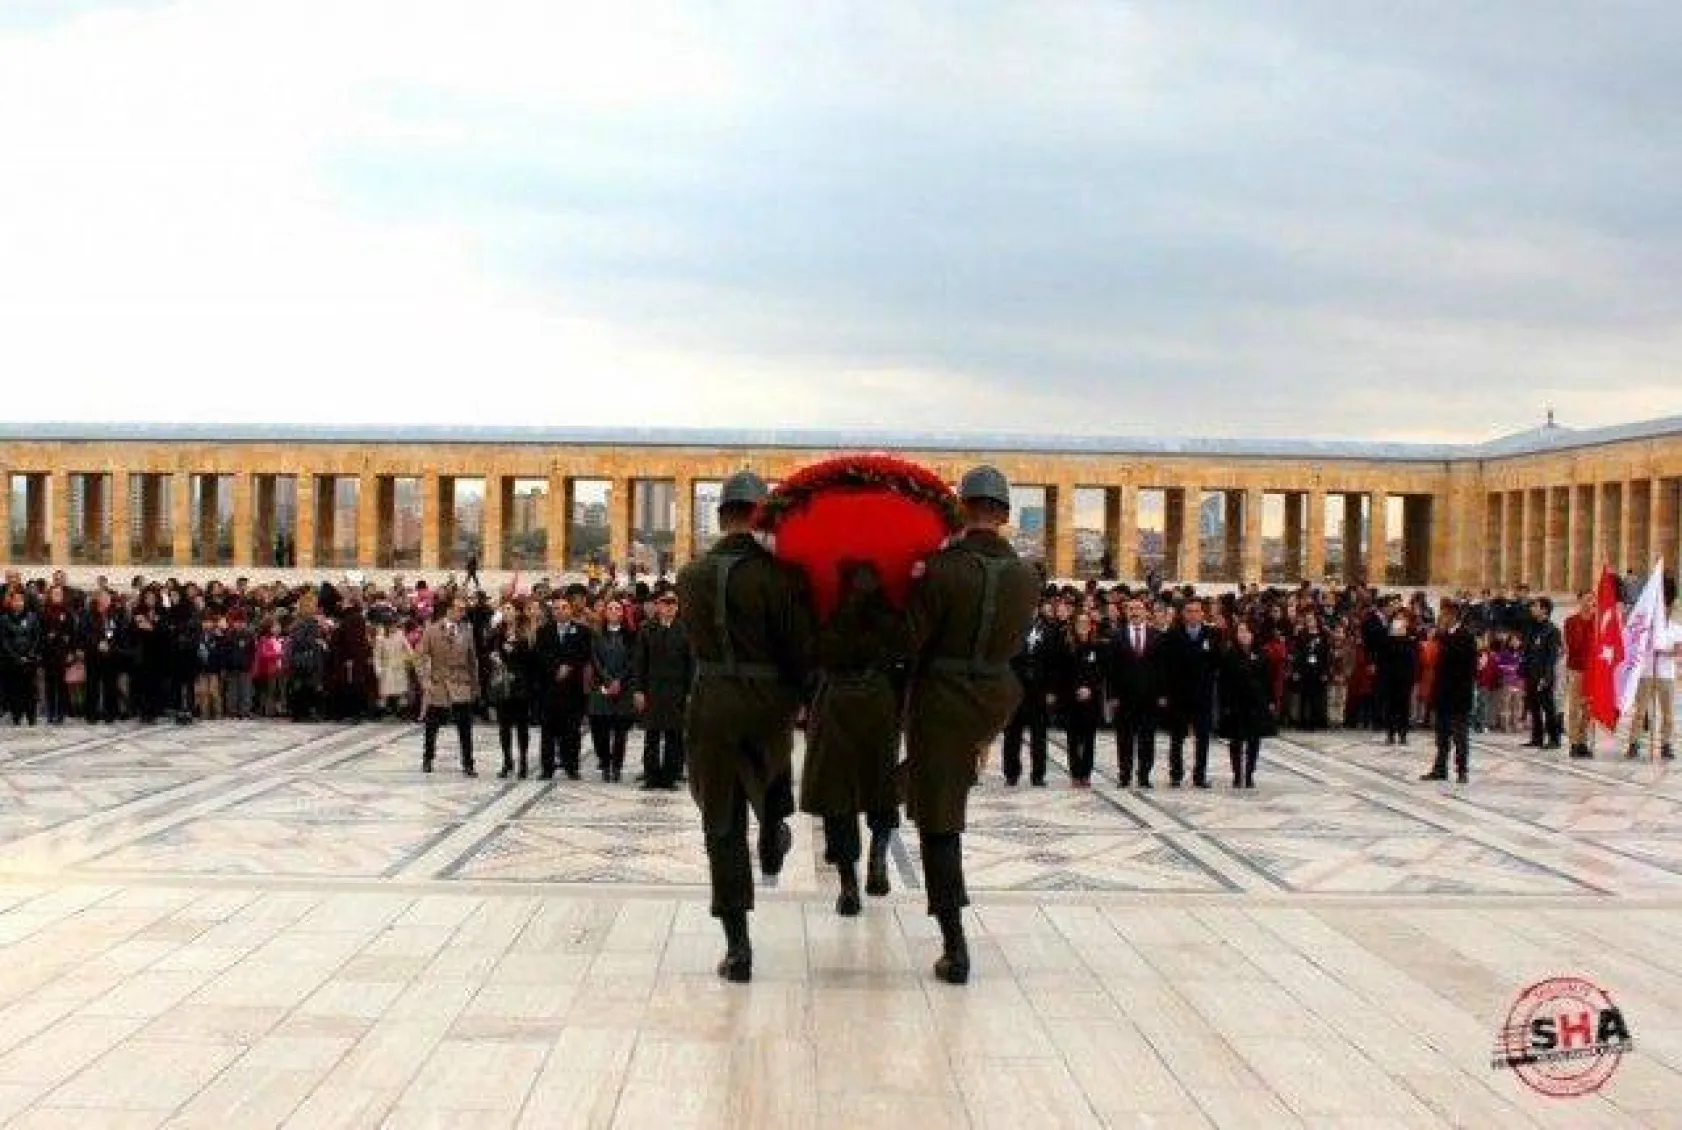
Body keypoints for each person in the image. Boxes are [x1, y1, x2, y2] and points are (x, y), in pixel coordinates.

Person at [902, 465, 1040, 985]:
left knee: (940, 823)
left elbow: (910, 640)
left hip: (942, 699)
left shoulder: (939, 569)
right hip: (994, 697)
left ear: (962, 509)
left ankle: (954, 943)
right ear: (1004, 514)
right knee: (941, 807)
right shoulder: (1028, 577)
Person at [677, 470, 814, 983]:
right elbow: (798, 650)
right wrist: (800, 696)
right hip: (767, 701)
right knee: (771, 775)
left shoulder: (690, 576)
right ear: (761, 515)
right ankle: (774, 824)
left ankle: (738, 946)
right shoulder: (781, 576)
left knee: (721, 825)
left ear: (721, 517)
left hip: (712, 700)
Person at [800, 561, 908, 917]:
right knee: (880, 780)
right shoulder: (889, 611)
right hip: (877, 697)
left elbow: (812, 651)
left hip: (836, 700)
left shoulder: (828, 610)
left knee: (838, 793)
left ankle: (849, 884)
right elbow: (903, 650)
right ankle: (878, 856)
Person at [632, 588, 693, 790]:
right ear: (658, 605)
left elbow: (691, 664)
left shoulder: (685, 630)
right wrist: (638, 690)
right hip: (653, 690)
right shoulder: (646, 628)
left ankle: (669, 777)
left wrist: (690, 693)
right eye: (665, 603)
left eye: (673, 603)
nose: (669, 607)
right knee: (652, 736)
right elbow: (640, 661)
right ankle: (651, 776)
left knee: (674, 736)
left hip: (676, 691)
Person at [1000, 595, 1061, 786]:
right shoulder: (1012, 630)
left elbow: (1054, 663)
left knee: (1039, 735)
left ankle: (1038, 774)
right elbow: (1004, 660)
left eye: (1034, 607)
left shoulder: (1050, 631)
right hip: (1016, 689)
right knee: (1012, 734)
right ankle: (1011, 773)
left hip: (1039, 690)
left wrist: (1052, 690)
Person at [417, 597, 480, 776]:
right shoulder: (432, 630)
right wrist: (425, 680)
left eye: (464, 609)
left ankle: (468, 763)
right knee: (432, 725)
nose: (463, 613)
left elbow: (472, 659)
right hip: (440, 684)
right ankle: (428, 758)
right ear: (449, 610)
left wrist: (475, 686)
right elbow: (420, 656)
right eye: (459, 609)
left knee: (465, 727)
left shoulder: (467, 631)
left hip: (461, 683)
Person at [1161, 598, 1220, 788]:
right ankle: (1176, 774)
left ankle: (1200, 775)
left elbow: (1215, 663)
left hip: (1202, 695)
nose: (1193, 614)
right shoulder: (1173, 635)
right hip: (1179, 695)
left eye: (1196, 611)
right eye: (1189, 611)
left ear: (1202, 614)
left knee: (1202, 738)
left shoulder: (1211, 634)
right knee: (1177, 737)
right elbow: (1167, 666)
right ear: (1183, 614)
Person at [1106, 596, 1163, 788]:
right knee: (1124, 738)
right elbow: (1111, 669)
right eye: (1131, 608)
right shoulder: (1117, 636)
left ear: (1146, 611)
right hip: (1124, 697)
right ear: (1126, 612)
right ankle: (1124, 774)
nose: (1135, 612)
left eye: (1139, 608)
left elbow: (1162, 668)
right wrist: (1112, 695)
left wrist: (1162, 694)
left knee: (1147, 738)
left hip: (1150, 696)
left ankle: (1144, 775)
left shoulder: (1156, 635)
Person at [535, 593, 591, 780]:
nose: (560, 611)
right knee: (548, 732)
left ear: (570, 610)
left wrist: (569, 666)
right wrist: (555, 669)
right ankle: (547, 768)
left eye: (564, 607)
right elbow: (540, 655)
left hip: (573, 690)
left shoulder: (582, 631)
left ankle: (571, 766)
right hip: (550, 689)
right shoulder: (544, 631)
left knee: (572, 731)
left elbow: (584, 654)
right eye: (556, 608)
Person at [1422, 598, 1477, 784]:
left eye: (1444, 614)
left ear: (1452, 615)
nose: (1440, 618)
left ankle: (1462, 770)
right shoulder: (1441, 636)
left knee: (1460, 735)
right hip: (1442, 693)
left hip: (1459, 694)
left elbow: (1461, 661)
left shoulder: (1466, 636)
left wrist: (1442, 639)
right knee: (1441, 735)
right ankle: (1440, 769)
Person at [1217, 621, 1275, 789]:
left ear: (1252, 634)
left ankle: (1249, 773)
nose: (1243, 635)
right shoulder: (1230, 654)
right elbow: (1224, 681)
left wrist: (1270, 700)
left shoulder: (1261, 653)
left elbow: (1267, 679)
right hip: (1236, 703)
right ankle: (1237, 774)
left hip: (1256, 703)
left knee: (1253, 740)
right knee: (1235, 741)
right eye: (1240, 631)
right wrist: (1225, 703)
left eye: (1246, 631)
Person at [1627, 579, 1678, 761]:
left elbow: (1678, 651)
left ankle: (1666, 745)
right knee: (1640, 712)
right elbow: (1638, 645)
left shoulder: (1676, 628)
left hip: (1667, 675)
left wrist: (1662, 651)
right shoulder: (1648, 629)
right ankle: (1634, 743)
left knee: (1668, 714)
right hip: (1647, 673)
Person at [488, 602, 539, 778]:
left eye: (509, 609)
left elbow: (532, 659)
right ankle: (507, 760)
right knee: (504, 726)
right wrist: (494, 656)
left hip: (521, 684)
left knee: (522, 726)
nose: (506, 612)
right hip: (502, 684)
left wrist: (515, 648)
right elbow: (490, 651)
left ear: (517, 612)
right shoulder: (497, 632)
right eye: (504, 609)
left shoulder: (525, 632)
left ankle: (523, 761)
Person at [588, 599, 637, 781]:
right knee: (600, 728)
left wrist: (619, 681)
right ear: (605, 612)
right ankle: (605, 762)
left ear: (623, 613)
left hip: (623, 688)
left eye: (618, 608)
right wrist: (608, 680)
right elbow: (595, 659)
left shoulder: (631, 635)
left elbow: (632, 661)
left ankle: (616, 766)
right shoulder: (597, 634)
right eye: (610, 608)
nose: (614, 611)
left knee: (620, 731)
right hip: (601, 686)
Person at [1059, 611, 1105, 787]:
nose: (1083, 625)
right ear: (1075, 625)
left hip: (1091, 699)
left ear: (1091, 626)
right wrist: (1076, 689)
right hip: (1072, 698)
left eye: (1086, 622)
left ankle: (1086, 773)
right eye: (1080, 622)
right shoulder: (1067, 646)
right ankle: (1075, 773)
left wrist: (1090, 689)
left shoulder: (1097, 646)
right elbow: (1063, 673)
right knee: (1073, 739)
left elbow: (1100, 673)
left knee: (1088, 739)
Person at [1522, 597, 1564, 750]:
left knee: (1548, 706)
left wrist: (1546, 677)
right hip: (1531, 673)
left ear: (1544, 610)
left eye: (1536, 606)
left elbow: (1552, 657)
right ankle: (1537, 737)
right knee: (1533, 706)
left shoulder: (1552, 631)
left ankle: (1554, 738)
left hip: (1543, 674)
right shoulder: (1532, 627)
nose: (1532, 609)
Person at [1562, 591, 1597, 758]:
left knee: (1589, 709)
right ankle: (1574, 742)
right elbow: (1574, 644)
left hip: (1593, 671)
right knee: (1575, 707)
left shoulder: (1598, 622)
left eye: (1592, 599)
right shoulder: (1571, 622)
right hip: (1577, 669)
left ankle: (1583, 740)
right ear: (1580, 601)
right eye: (1587, 599)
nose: (1590, 602)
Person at [1375, 614, 1419, 745]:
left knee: (1404, 707)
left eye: (1402, 622)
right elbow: (1382, 661)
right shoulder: (1387, 641)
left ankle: (1403, 733)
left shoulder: (1410, 641)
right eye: (1397, 622)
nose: (1399, 625)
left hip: (1405, 680)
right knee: (1390, 707)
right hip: (1390, 679)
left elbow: (1413, 661)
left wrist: (1412, 678)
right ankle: (1390, 733)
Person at [0, 588, 42, 725]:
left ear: (24, 602)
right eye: (15, 600)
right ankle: (16, 716)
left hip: (29, 660)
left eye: (20, 600)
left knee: (30, 690)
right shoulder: (4, 619)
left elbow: (37, 637)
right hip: (12, 660)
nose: (18, 603)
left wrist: (29, 654)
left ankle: (31, 717)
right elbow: (4, 641)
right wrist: (16, 657)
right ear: (11, 602)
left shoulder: (32, 617)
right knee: (14, 690)